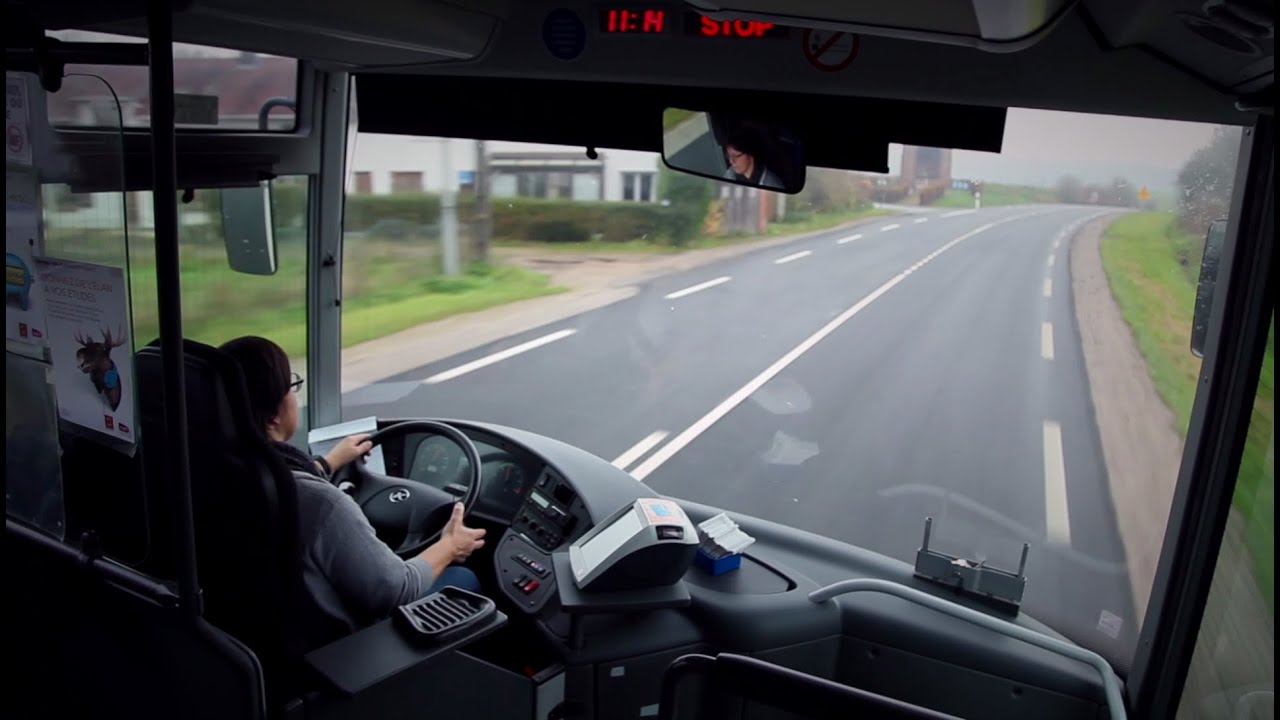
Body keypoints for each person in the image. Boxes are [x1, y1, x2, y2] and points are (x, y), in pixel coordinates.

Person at [219, 335, 486, 644]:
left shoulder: (217, 470)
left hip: (254, 635)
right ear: (274, 415)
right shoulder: (319, 502)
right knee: (464, 579)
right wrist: (451, 545)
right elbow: (396, 590)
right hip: (338, 654)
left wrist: (328, 462)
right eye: (291, 387)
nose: (295, 396)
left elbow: (277, 480)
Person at [721, 130, 785, 190]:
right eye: (728, 156)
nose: (731, 161)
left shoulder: (773, 185)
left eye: (736, 156)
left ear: (750, 154)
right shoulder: (729, 175)